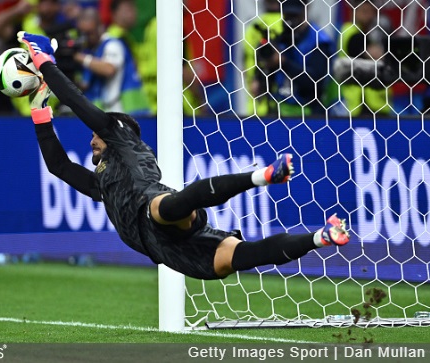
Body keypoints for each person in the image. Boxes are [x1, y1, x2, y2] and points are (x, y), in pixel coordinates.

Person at [17, 31, 350, 280]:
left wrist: (46, 61)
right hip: (173, 252)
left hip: (157, 215)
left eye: (97, 135)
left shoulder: (123, 140)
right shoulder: (105, 185)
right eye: (94, 135)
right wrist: (39, 113)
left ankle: (262, 175)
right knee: (243, 256)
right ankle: (321, 237)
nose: (93, 139)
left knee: (166, 207)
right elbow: (59, 166)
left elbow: (79, 104)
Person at [256, 0, 336, 116]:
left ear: (306, 9)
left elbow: (315, 82)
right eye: (287, 15)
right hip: (280, 113)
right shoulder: (280, 39)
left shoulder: (319, 41)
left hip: (311, 115)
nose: (291, 20)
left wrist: (283, 62)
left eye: (295, 15)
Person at [73, 0, 148, 115]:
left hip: (123, 112)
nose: (86, 38)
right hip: (106, 113)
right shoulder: (92, 50)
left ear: (100, 27)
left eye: (89, 33)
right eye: (82, 34)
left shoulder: (112, 44)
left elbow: (109, 69)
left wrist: (79, 57)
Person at [339, 0, 391, 116]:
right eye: (364, 11)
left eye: (372, 12)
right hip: (361, 103)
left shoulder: (368, 33)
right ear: (354, 12)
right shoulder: (351, 32)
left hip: (376, 103)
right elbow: (372, 53)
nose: (369, 16)